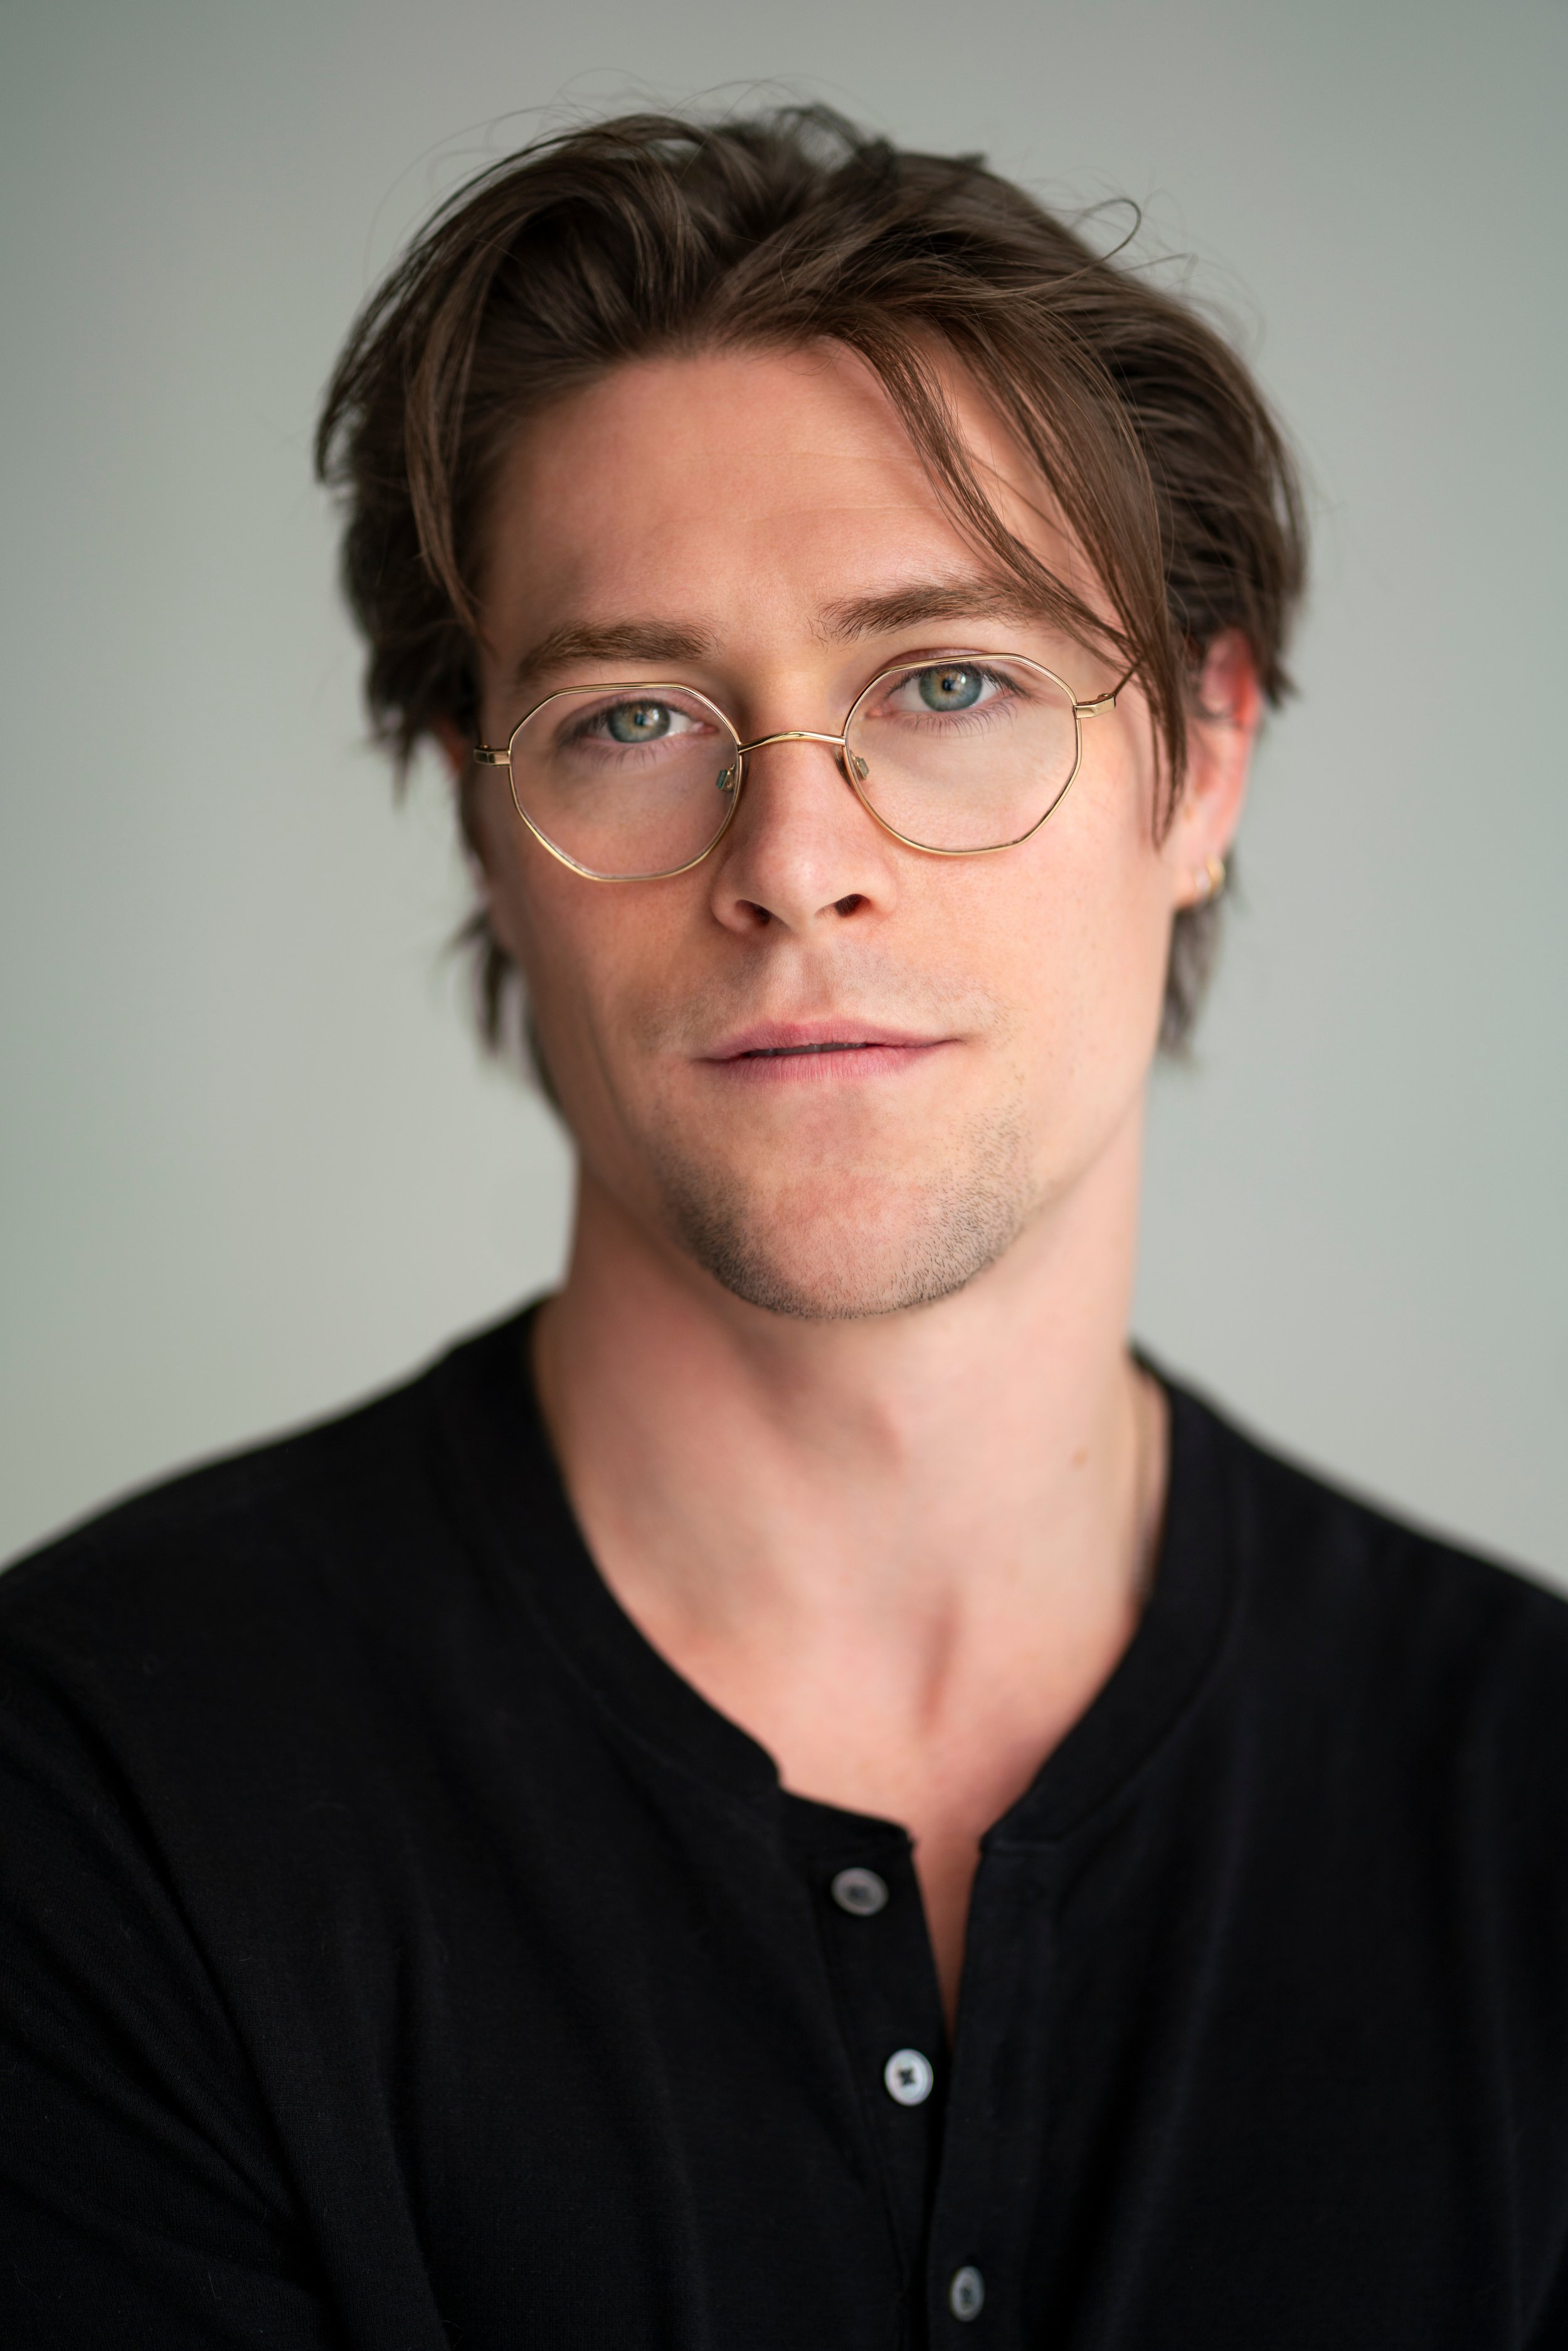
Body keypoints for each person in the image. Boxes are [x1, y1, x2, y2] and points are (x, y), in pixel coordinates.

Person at [1, 105, 1564, 2351]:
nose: (792, 856)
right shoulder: (95, 1794)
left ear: (1202, 762)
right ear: (483, 823)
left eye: (947, 683)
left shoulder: (1522, 1805)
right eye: (633, 714)